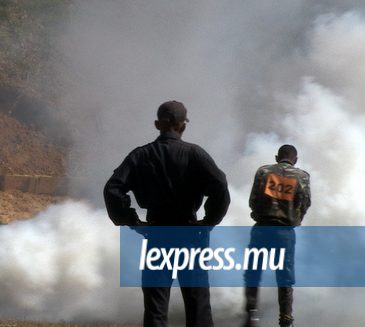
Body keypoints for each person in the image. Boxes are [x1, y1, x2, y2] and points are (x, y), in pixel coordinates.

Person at [104, 100, 230, 327]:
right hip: (191, 234)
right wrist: (209, 221)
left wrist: (132, 221)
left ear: (156, 124)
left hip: (157, 233)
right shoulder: (195, 154)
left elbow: (113, 188)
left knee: (156, 306)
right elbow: (219, 185)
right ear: (183, 126)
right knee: (198, 305)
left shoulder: (140, 155)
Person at [243, 144, 311, 327]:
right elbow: (305, 203)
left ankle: (251, 316)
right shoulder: (302, 176)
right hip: (284, 233)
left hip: (262, 228)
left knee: (253, 272)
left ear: (276, 157)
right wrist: (295, 220)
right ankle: (285, 321)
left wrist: (259, 215)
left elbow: (253, 200)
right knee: (285, 278)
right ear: (295, 160)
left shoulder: (264, 171)